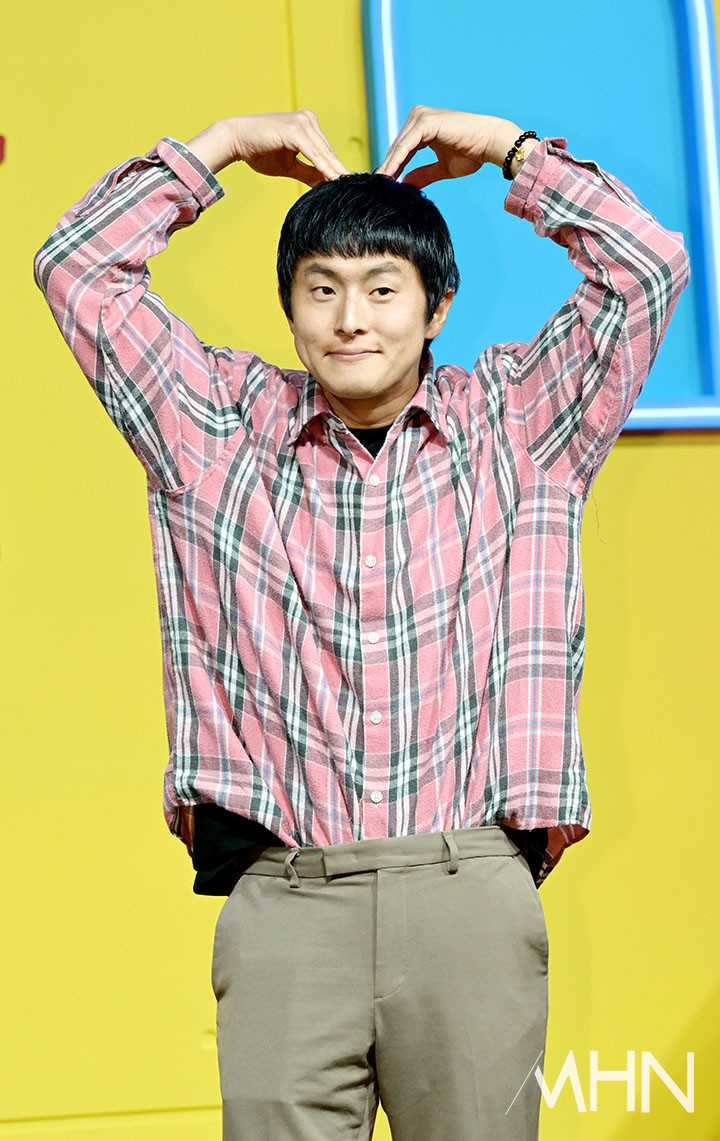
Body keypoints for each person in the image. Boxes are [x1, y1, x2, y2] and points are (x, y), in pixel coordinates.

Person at [33, 107, 690, 1140]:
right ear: (290, 306)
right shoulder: (214, 427)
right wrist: (220, 148)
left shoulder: (519, 422)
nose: (351, 319)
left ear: (436, 307)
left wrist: (512, 151)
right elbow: (77, 267)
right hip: (288, 898)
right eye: (322, 288)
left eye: (383, 289)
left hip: (467, 887)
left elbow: (646, 269)